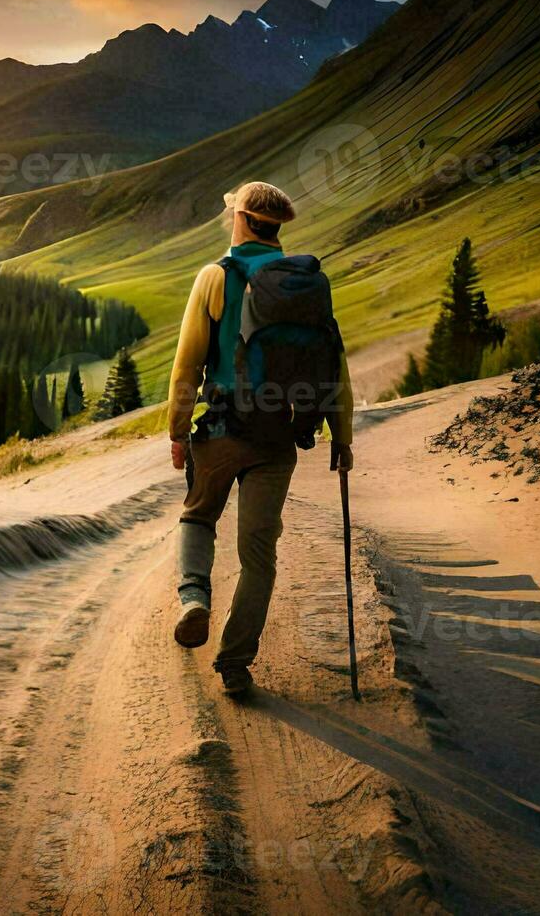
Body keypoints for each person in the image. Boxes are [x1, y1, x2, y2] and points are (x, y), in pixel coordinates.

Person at [166, 181, 354, 697]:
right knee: (258, 557)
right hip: (277, 439)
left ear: (242, 219)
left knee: (199, 515)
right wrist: (343, 436)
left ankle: (193, 598)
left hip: (224, 429)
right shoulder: (305, 284)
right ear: (278, 227)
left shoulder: (215, 277)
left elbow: (186, 364)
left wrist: (178, 431)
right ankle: (235, 662)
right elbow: (334, 365)